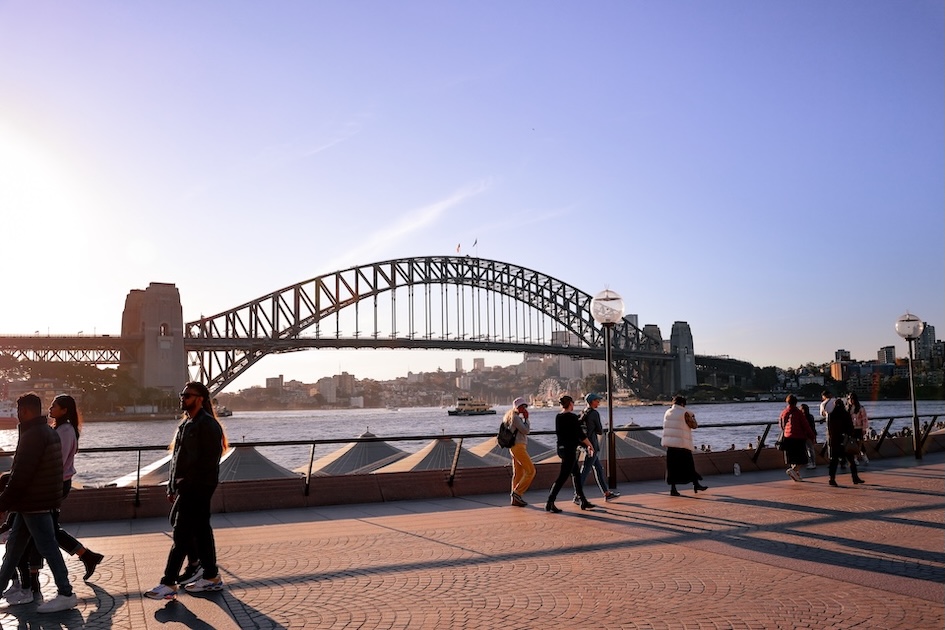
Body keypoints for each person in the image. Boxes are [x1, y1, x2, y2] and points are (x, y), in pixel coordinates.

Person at [145, 382, 227, 599]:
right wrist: (172, 485)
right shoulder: (187, 424)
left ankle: (169, 582)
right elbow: (177, 460)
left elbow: (209, 461)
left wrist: (186, 482)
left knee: (182, 533)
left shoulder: (207, 425)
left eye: (187, 395)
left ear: (200, 399)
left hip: (198, 486)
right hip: (187, 486)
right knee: (199, 530)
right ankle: (210, 576)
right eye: (182, 394)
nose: (182, 398)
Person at [0, 394, 77, 613]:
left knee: (47, 547)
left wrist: (2, 503)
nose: (17, 415)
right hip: (37, 501)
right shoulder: (49, 432)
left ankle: (66, 593)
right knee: (14, 549)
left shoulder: (33, 435)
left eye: (18, 411)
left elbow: (20, 475)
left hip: (34, 503)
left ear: (24, 411)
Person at [546, 395, 595, 513]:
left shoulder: (558, 417)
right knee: (563, 477)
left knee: (576, 475)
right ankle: (550, 502)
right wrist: (590, 445)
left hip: (562, 449)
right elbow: (580, 434)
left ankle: (583, 500)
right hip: (570, 450)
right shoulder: (572, 417)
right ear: (571, 404)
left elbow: (564, 434)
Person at [573, 393, 620, 504]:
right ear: (592, 401)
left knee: (598, 468)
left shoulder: (583, 412)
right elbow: (599, 431)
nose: (598, 402)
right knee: (585, 470)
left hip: (585, 445)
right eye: (597, 400)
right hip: (592, 445)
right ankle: (577, 495)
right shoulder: (594, 413)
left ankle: (607, 493)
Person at [661, 395, 707, 496]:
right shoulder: (685, 413)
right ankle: (696, 484)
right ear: (682, 404)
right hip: (682, 443)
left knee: (672, 468)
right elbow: (694, 425)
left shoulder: (667, 412)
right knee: (689, 465)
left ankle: (673, 489)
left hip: (670, 444)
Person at [504, 397, 535, 507]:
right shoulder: (516, 418)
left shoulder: (511, 417)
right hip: (518, 447)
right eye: (522, 406)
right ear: (517, 407)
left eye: (525, 406)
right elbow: (526, 431)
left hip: (514, 447)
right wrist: (526, 419)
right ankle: (517, 493)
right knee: (531, 471)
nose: (524, 408)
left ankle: (515, 499)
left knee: (518, 473)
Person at [827, 398, 864, 486]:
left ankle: (832, 479)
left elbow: (829, 429)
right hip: (845, 440)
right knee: (851, 460)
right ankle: (855, 477)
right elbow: (850, 428)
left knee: (834, 461)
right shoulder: (846, 414)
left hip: (835, 441)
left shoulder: (831, 415)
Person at [780, 395, 816, 481]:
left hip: (787, 437)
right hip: (798, 437)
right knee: (802, 458)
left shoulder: (784, 412)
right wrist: (812, 436)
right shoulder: (798, 413)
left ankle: (796, 474)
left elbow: (781, 425)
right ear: (796, 402)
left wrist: (785, 432)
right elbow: (805, 425)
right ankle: (793, 470)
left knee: (792, 458)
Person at [848, 392, 869, 466]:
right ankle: (855, 458)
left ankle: (864, 456)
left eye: (852, 399)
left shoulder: (860, 408)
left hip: (859, 428)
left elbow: (864, 419)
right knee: (852, 444)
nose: (850, 400)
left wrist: (864, 429)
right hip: (850, 429)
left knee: (860, 443)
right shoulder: (847, 408)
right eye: (849, 399)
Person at [799, 403, 818, 470]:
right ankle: (812, 462)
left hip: (806, 435)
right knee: (810, 449)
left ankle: (811, 463)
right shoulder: (811, 416)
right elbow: (812, 427)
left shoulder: (803, 417)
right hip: (811, 434)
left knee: (809, 449)